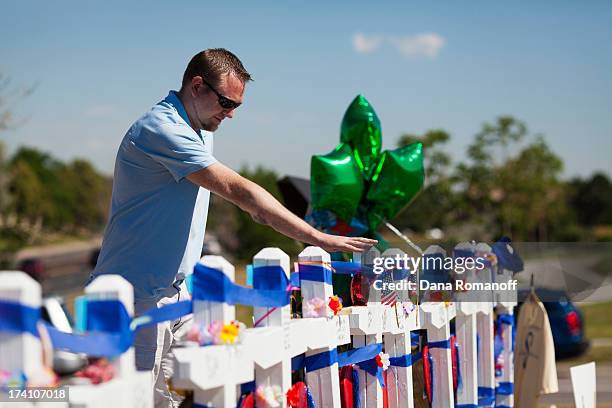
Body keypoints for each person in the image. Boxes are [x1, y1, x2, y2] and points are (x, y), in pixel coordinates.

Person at [89, 48, 376, 407]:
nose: (231, 113)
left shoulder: (199, 127)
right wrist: (318, 237)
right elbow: (242, 193)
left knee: (182, 400)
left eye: (236, 105)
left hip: (174, 292)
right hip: (134, 297)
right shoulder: (162, 129)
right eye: (226, 102)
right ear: (197, 86)